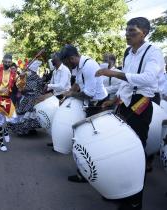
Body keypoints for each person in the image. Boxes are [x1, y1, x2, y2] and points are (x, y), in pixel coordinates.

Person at [96, 17, 164, 210]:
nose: (127, 35)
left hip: (142, 102)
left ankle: (135, 200)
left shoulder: (154, 52)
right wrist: (115, 98)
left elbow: (149, 78)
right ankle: (121, 191)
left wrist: (114, 74)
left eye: (132, 32)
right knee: (120, 148)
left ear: (145, 33)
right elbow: (127, 81)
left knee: (135, 150)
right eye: (126, 31)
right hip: (126, 102)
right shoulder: (128, 52)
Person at [59, 44, 108, 182]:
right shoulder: (79, 66)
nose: (67, 67)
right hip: (92, 104)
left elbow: (89, 94)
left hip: (99, 105)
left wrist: (71, 95)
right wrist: (69, 91)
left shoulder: (88, 66)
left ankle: (89, 173)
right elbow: (78, 84)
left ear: (72, 58)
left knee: (91, 141)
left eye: (67, 63)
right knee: (86, 139)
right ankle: (84, 171)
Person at [0, 54, 26, 152]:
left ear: (11, 62)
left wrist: (22, 78)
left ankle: (6, 131)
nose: (7, 63)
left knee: (13, 118)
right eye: (6, 61)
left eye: (9, 62)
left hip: (7, 100)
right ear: (3, 61)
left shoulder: (14, 73)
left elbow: (20, 87)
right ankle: (1, 143)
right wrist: (0, 88)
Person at [7, 60, 43, 135]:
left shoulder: (33, 78)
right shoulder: (29, 77)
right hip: (28, 97)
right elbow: (21, 86)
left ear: (32, 70)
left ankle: (28, 130)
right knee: (26, 113)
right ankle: (28, 130)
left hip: (31, 98)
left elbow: (27, 88)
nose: (28, 71)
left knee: (28, 114)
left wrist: (22, 88)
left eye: (29, 70)